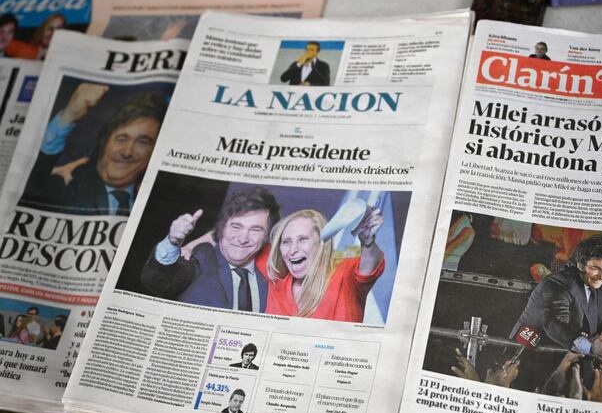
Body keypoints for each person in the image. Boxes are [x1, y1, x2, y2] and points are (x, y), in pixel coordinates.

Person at [19, 84, 168, 215]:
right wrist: (68, 117)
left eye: (142, 142)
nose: (127, 152)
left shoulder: (154, 199)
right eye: (121, 139)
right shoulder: (69, 183)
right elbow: (31, 189)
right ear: (105, 143)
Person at [140, 187, 279, 312]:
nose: (243, 239)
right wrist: (172, 242)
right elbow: (158, 282)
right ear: (222, 227)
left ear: (267, 236)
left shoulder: (271, 275)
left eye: (255, 230)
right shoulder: (203, 258)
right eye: (236, 227)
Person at [509, 235, 602, 355]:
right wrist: (591, 347)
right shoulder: (558, 283)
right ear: (580, 264)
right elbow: (555, 324)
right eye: (595, 268)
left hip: (573, 356)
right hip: (532, 354)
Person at [265, 207, 384, 322]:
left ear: (322, 243)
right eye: (286, 242)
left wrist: (368, 241)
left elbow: (368, 267)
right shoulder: (276, 284)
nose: (292, 250)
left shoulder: (344, 276)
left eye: (303, 239)